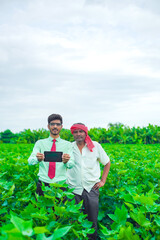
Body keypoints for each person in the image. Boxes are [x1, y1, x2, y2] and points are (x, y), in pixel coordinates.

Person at [67, 123, 111, 240]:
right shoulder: (69, 147)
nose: (78, 134)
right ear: (73, 134)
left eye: (80, 131)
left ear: (85, 132)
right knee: (74, 219)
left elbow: (107, 162)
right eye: (75, 132)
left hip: (91, 188)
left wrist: (103, 181)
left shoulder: (95, 146)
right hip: (73, 189)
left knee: (92, 220)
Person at [28, 113, 74, 196]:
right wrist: (37, 159)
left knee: (59, 209)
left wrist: (66, 161)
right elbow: (30, 161)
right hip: (43, 183)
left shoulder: (68, 145)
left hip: (60, 184)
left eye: (58, 124)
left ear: (61, 126)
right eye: (52, 124)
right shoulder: (40, 143)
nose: (55, 126)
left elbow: (71, 164)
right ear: (48, 126)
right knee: (42, 207)